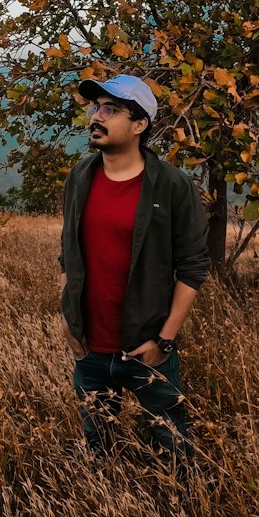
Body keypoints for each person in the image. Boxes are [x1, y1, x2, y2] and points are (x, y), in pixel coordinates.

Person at [58, 75, 210, 463]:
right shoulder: (80, 177)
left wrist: (165, 340)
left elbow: (192, 267)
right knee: (98, 449)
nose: (96, 116)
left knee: (173, 448)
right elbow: (68, 254)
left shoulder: (171, 186)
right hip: (90, 349)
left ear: (140, 125)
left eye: (110, 109)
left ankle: (180, 512)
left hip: (147, 348)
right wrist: (70, 321)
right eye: (95, 107)